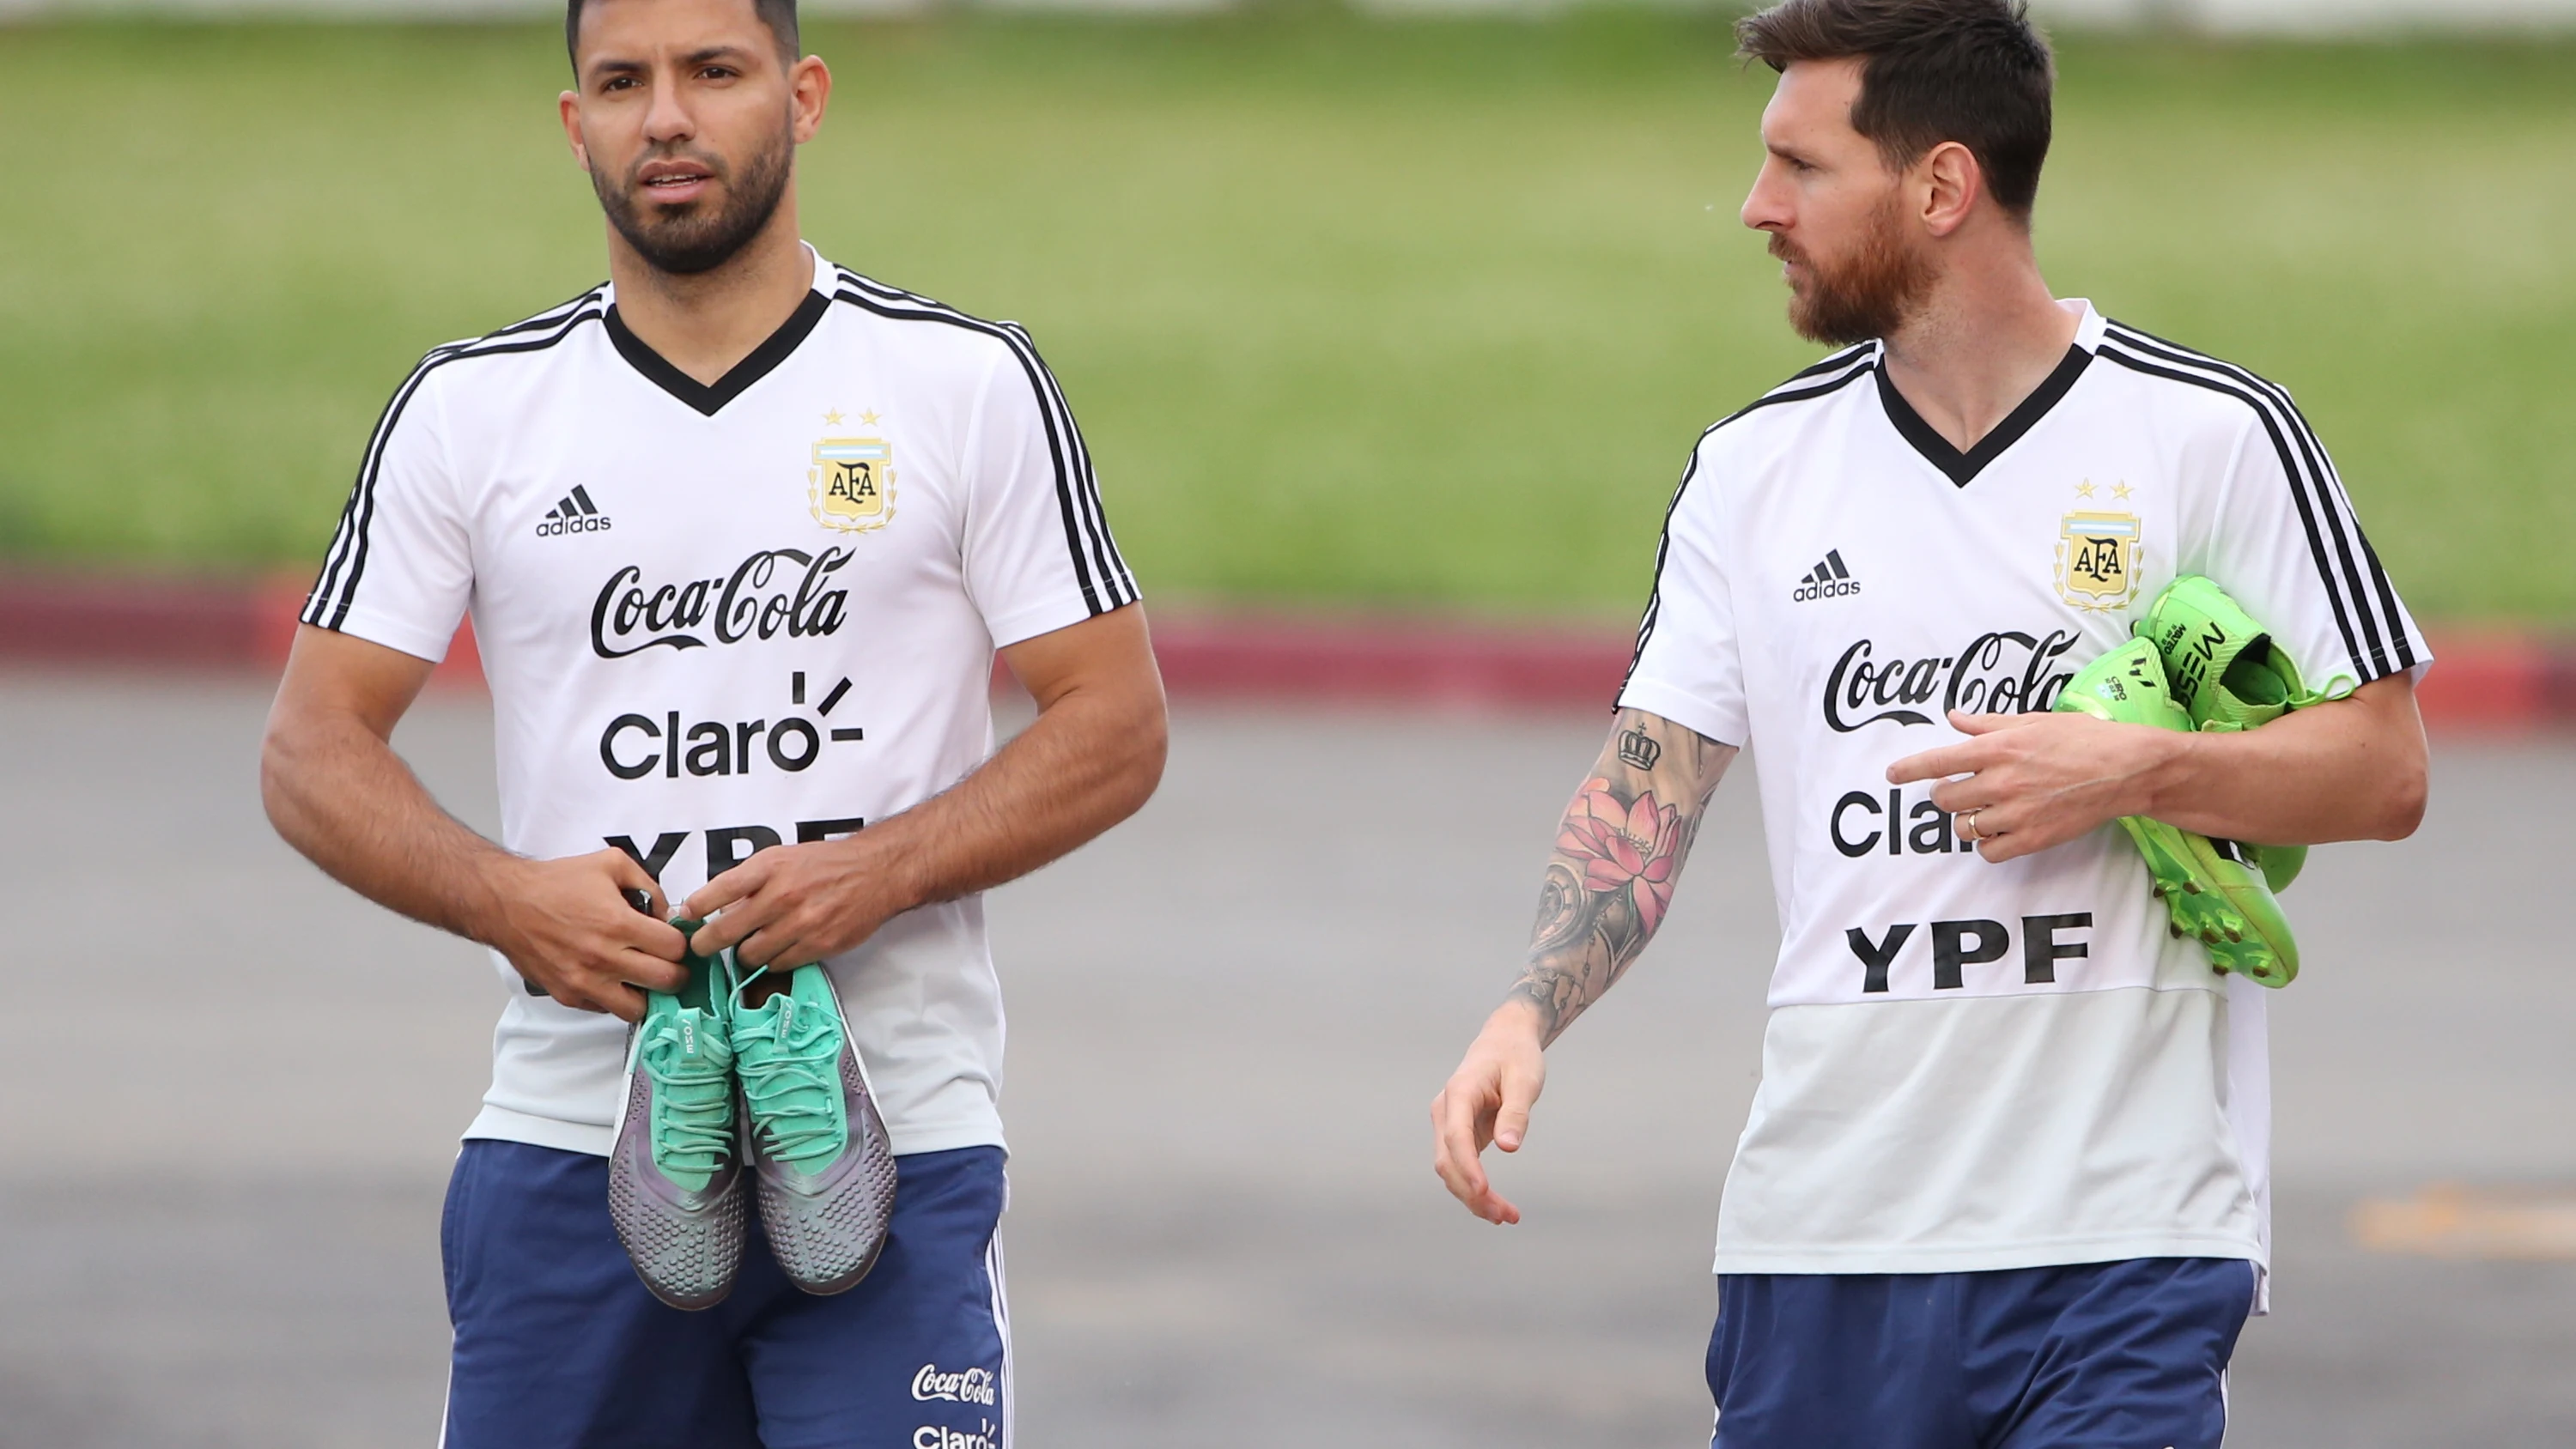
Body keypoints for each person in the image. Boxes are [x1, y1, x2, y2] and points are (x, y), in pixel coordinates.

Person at [1428, 3, 2429, 1445]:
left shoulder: (2210, 437)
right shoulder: (1753, 475)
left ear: (1942, 187)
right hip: (1827, 1237)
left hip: (2123, 1239)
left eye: (1802, 168)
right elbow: (1649, 787)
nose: (1758, 208)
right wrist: (1529, 1010)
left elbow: (2386, 769)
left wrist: (2141, 766)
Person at [259, 0, 1165, 1442]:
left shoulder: (962, 385)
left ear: (802, 96)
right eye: (621, 82)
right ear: (576, 125)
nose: (665, 117)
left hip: (894, 1134)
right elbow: (311, 751)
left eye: (713, 72)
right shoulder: (472, 410)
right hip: (572, 1142)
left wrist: (880, 868)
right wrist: (510, 901)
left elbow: (1115, 721)